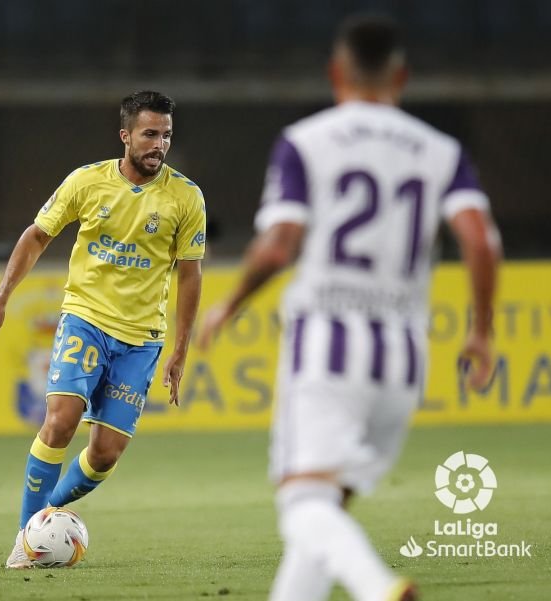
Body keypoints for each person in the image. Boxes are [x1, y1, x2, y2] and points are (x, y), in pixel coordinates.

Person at [197, 15, 499, 601]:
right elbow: (481, 239)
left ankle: (377, 586)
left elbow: (281, 243)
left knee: (301, 505)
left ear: (336, 73)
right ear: (401, 76)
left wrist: (230, 301)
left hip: (327, 347)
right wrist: (481, 332)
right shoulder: (441, 150)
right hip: (403, 358)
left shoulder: (306, 142)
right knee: (324, 506)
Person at [0, 90, 206, 569]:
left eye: (165, 135)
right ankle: (27, 537)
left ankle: (45, 517)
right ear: (125, 136)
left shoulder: (186, 197)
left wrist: (180, 349)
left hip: (142, 339)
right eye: (149, 134)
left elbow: (189, 275)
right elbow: (37, 235)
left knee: (105, 454)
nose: (158, 144)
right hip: (86, 318)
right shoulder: (86, 182)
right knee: (61, 419)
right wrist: (0, 297)